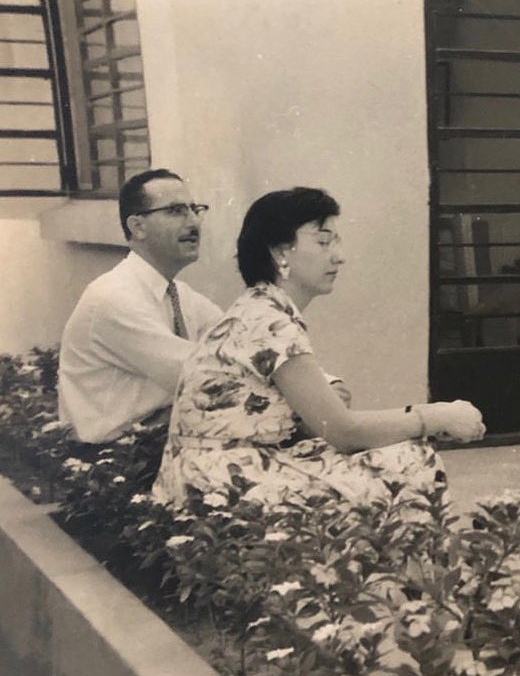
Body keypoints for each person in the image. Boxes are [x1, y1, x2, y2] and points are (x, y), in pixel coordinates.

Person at [151, 187, 485, 509]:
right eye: (324, 242)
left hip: (208, 474)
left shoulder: (259, 307)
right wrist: (438, 415)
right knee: (409, 460)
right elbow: (343, 431)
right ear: (280, 252)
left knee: (390, 456)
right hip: (222, 483)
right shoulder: (269, 321)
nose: (339, 257)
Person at [58, 169, 223, 443]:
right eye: (175, 211)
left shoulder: (179, 293)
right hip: (111, 462)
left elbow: (241, 342)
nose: (193, 222)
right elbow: (202, 376)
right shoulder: (113, 298)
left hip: (157, 441)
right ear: (137, 227)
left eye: (195, 209)